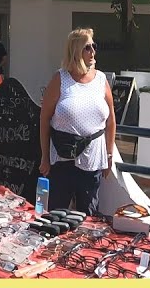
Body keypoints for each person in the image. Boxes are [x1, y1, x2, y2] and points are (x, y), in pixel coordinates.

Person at [38, 28, 116, 216]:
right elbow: (44, 119)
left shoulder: (101, 79)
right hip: (63, 158)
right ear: (76, 51)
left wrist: (109, 154)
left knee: (88, 215)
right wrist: (45, 157)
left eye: (93, 46)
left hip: (92, 159)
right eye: (87, 47)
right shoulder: (60, 79)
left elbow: (111, 119)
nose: (92, 51)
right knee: (57, 214)